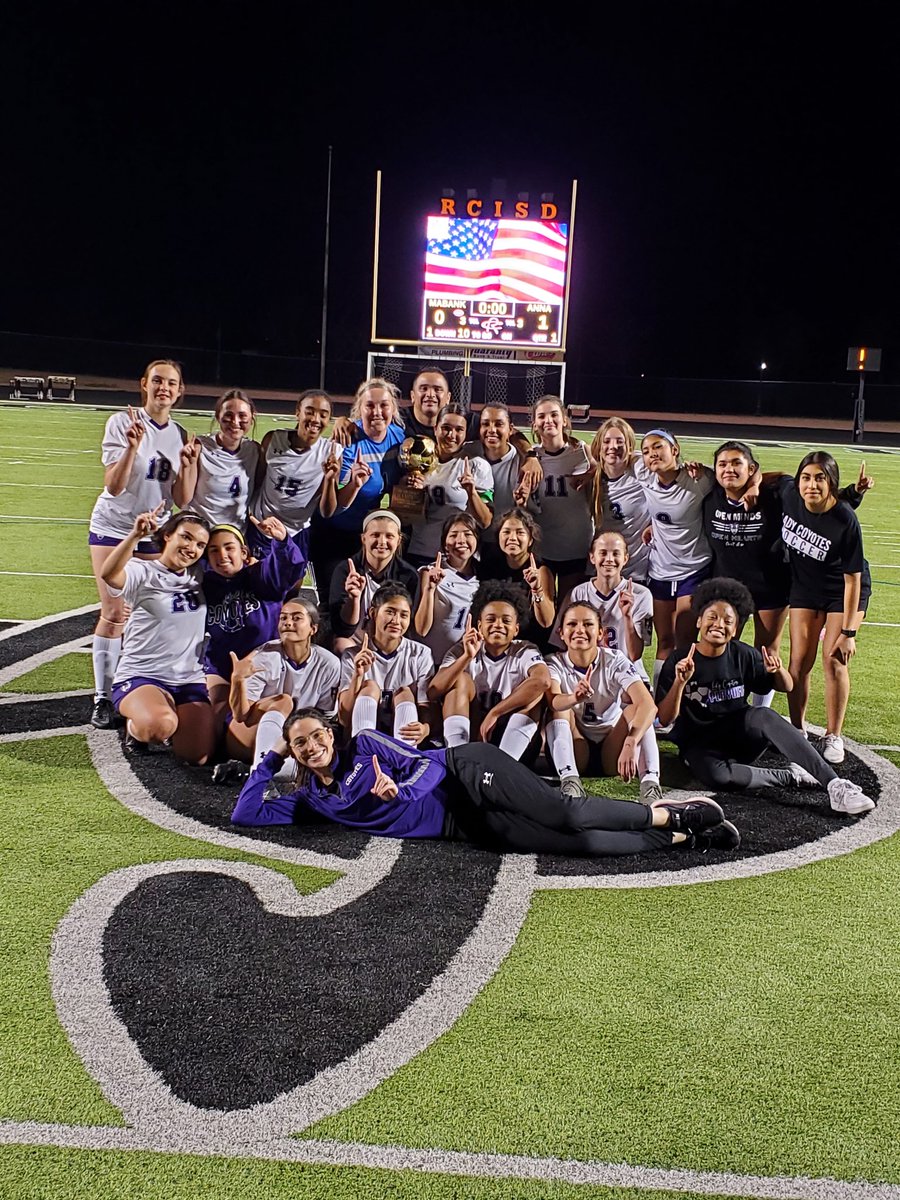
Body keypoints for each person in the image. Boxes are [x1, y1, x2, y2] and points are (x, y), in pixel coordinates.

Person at [231, 707, 742, 857]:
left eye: (315, 735)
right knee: (577, 844)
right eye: (300, 743)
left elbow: (429, 763)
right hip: (462, 827)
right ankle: (682, 836)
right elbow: (245, 813)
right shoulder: (313, 799)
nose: (311, 746)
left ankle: (670, 811)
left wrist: (400, 791)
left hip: (467, 772)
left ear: (331, 732)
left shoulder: (364, 744)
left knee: (564, 813)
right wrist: (271, 753)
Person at [655, 577, 874, 814]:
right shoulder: (679, 660)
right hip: (699, 743)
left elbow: (788, 686)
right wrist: (680, 682)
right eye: (712, 617)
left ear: (736, 628)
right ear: (699, 621)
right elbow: (665, 719)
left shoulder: (743, 654)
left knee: (763, 716)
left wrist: (778, 670)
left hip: (740, 737)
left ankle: (835, 785)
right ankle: (789, 776)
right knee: (720, 778)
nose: (719, 624)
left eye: (728, 621)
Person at [87, 358, 188, 730]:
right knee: (114, 614)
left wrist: (189, 467)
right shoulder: (122, 422)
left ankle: (135, 688)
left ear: (180, 391)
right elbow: (113, 486)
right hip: (115, 528)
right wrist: (132, 446)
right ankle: (102, 696)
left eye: (171, 383)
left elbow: (179, 494)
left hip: (154, 533)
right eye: (157, 380)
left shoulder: (179, 434)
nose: (164, 388)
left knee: (149, 619)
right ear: (143, 384)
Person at [100, 508, 216, 764]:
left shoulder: (199, 576)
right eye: (185, 537)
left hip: (189, 679)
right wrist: (134, 536)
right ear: (167, 535)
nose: (191, 548)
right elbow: (110, 575)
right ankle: (136, 730)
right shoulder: (143, 570)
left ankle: (169, 713)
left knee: (197, 756)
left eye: (200, 544)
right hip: (143, 674)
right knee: (159, 725)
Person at [779, 452, 872, 763]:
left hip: (840, 592)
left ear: (831, 483)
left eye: (820, 478)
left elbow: (853, 581)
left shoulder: (845, 519)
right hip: (805, 588)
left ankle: (834, 735)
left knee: (834, 660)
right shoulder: (789, 493)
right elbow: (767, 478)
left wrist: (848, 632)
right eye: (806, 477)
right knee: (797, 664)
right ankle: (797, 731)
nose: (811, 484)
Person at [214, 596, 341, 785]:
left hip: (294, 738)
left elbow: (325, 716)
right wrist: (238, 680)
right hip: (248, 734)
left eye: (297, 618)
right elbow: (240, 715)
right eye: (283, 618)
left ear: (313, 628)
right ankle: (263, 773)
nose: (288, 622)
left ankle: (252, 772)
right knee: (284, 701)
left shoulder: (329, 663)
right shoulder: (264, 656)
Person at [545, 602, 662, 802]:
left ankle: (650, 785)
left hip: (612, 748)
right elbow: (554, 702)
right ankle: (569, 780)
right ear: (561, 633)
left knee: (638, 709)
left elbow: (648, 705)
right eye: (572, 624)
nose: (580, 630)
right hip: (576, 745)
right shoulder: (553, 662)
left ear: (600, 633)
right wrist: (574, 698)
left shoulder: (615, 659)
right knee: (560, 711)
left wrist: (631, 740)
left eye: (588, 624)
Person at [635, 428, 721, 689]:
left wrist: (755, 480)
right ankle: (662, 703)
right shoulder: (643, 474)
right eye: (646, 450)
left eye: (658, 446)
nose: (652, 454)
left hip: (692, 570)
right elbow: (608, 456)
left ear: (675, 449)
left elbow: (736, 478)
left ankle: (682, 699)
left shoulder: (699, 478)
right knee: (664, 641)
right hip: (660, 570)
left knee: (684, 641)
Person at [202, 517, 309, 724]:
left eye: (228, 547)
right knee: (211, 729)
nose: (222, 555)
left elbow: (290, 568)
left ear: (244, 552)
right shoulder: (205, 584)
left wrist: (281, 540)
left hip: (263, 667)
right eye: (213, 550)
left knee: (250, 721)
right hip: (223, 667)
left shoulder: (260, 575)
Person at [428, 580, 549, 763]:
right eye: (491, 619)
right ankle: (458, 759)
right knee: (460, 679)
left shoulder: (525, 650)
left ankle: (503, 768)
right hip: (474, 732)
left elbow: (543, 681)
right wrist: (467, 657)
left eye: (506, 621)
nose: (498, 625)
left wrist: (496, 712)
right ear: (479, 625)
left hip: (511, 736)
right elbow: (433, 691)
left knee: (534, 695)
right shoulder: (462, 650)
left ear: (516, 629)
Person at [308, 377, 407, 585]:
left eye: (384, 405)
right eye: (369, 405)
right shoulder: (346, 442)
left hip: (364, 535)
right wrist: (354, 484)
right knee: (333, 599)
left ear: (393, 409)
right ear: (359, 409)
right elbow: (330, 509)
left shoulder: (399, 438)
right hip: (331, 532)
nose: (377, 412)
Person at [249, 388, 341, 587]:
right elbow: (257, 482)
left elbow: (327, 511)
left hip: (296, 533)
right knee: (256, 588)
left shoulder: (331, 452)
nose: (316, 419)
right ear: (297, 412)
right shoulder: (273, 439)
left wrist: (329, 480)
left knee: (291, 592)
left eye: (323, 415)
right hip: (261, 529)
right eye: (310, 411)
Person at [337, 583, 435, 745]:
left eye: (404, 615)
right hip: (361, 733)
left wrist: (425, 728)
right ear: (373, 613)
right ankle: (364, 754)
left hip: (402, 734)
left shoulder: (420, 653)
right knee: (369, 686)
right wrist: (357, 675)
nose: (396, 621)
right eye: (390, 612)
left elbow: (426, 708)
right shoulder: (353, 655)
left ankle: (403, 757)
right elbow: (344, 719)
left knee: (405, 692)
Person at [550, 530, 653, 680]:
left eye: (616, 553)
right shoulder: (577, 594)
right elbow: (562, 643)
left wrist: (627, 617)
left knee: (644, 703)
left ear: (625, 558)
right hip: (588, 675)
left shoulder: (641, 595)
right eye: (603, 553)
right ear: (592, 557)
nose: (609, 559)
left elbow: (635, 654)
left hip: (628, 675)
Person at [401, 402, 493, 567]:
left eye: (459, 430)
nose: (451, 435)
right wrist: (413, 496)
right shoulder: (417, 458)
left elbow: (485, 521)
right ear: (435, 428)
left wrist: (471, 492)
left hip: (459, 557)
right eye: (446, 428)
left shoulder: (475, 465)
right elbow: (405, 520)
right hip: (421, 552)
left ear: (466, 433)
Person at [527, 395, 594, 599]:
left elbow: (611, 465)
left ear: (565, 419)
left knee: (568, 610)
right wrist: (530, 455)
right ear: (535, 423)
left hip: (576, 545)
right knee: (544, 615)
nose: (548, 420)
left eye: (554, 415)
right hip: (543, 547)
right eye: (542, 416)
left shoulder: (582, 451)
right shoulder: (530, 456)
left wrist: (592, 472)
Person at [327, 510, 420, 652]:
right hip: (354, 638)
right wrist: (353, 598)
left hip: (390, 640)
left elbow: (408, 624)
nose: (382, 542)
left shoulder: (408, 575)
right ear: (363, 538)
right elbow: (342, 630)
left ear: (399, 540)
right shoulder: (346, 570)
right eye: (375, 535)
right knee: (341, 645)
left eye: (389, 536)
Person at [171, 388, 260, 529]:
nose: (235, 422)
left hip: (234, 538)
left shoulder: (254, 451)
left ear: (251, 418)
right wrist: (186, 466)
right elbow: (181, 502)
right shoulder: (201, 448)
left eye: (242, 416)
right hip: (201, 536)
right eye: (228, 415)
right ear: (218, 416)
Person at [476, 508, 556, 647]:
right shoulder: (489, 566)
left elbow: (546, 621)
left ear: (530, 540)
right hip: (497, 643)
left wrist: (537, 589)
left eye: (520, 532)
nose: (512, 538)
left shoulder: (540, 570)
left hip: (530, 644)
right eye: (506, 532)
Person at [413, 513, 482, 665]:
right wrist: (430, 590)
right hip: (430, 661)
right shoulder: (430, 571)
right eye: (453, 535)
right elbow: (421, 629)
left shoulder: (483, 577)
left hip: (463, 662)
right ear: (445, 543)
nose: (461, 541)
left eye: (467, 534)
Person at [589, 416, 650, 582]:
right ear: (599, 446)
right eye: (607, 441)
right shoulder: (592, 480)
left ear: (629, 446)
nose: (613, 447)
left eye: (620, 441)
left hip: (635, 572)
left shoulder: (641, 472)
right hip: (599, 570)